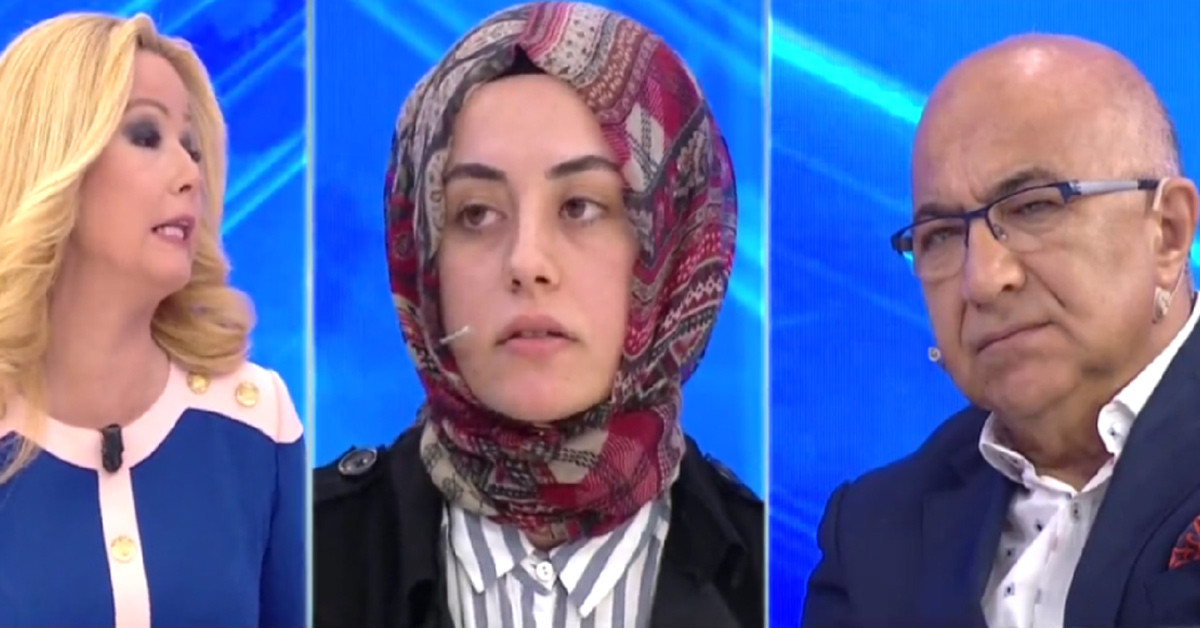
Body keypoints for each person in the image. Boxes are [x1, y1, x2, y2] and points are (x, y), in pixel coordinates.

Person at [313, 2, 762, 627]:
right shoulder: (307, 553)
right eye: (475, 213)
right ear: (422, 256)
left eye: (580, 206)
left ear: (674, 243)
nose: (526, 262)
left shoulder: (772, 575)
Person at [801, 33, 1200, 628]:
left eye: (1034, 207)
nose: (983, 280)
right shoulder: (872, 535)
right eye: (940, 236)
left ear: (1167, 233)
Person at [0, 13, 305, 628]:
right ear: (54, 160)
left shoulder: (256, 418)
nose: (190, 173)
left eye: (192, 147)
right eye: (146, 136)